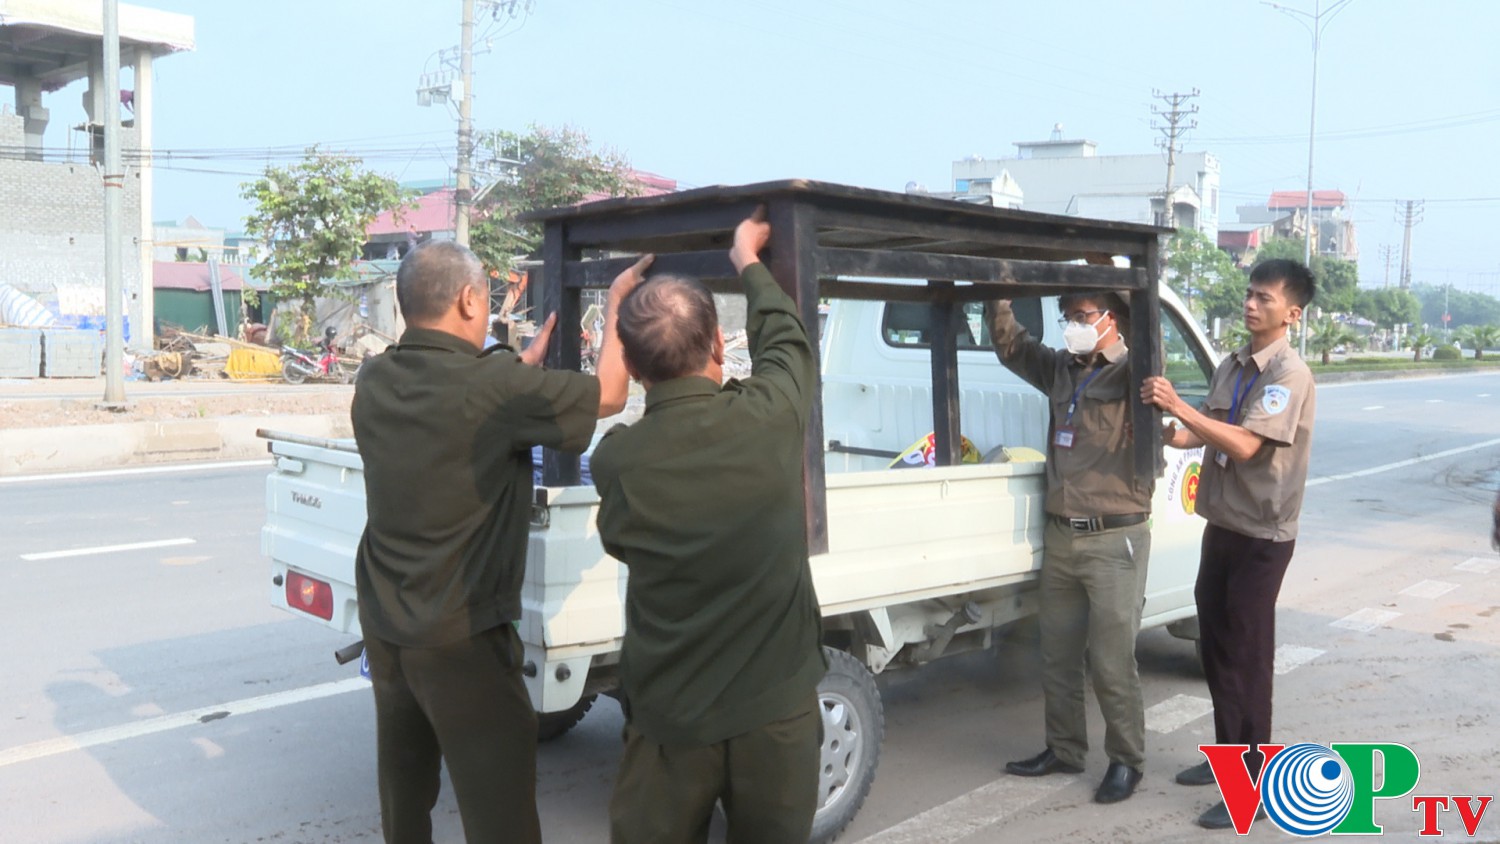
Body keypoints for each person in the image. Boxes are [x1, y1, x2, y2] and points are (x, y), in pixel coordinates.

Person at [351, 240, 644, 844]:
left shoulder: (374, 378)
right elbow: (610, 395)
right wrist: (615, 302)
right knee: (500, 815)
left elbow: (468, 408)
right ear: (468, 299)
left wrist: (519, 371)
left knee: (404, 798)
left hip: (388, 629)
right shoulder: (496, 387)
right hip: (461, 637)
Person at [590, 210, 827, 844]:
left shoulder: (618, 461)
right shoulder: (770, 416)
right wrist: (747, 258)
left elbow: (618, 537)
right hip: (776, 713)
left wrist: (619, 308)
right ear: (720, 346)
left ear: (637, 369)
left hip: (670, 722)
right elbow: (788, 341)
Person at [1140, 258, 1317, 831]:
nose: (1250, 305)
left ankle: (1256, 786)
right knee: (1216, 647)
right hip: (1223, 526)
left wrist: (1180, 406)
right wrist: (1171, 430)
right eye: (1248, 295)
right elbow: (1208, 428)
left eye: (1264, 299)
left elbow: (1244, 445)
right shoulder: (1235, 364)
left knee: (1247, 658)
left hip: (1262, 536)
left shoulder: (1288, 375)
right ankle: (1226, 762)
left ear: (1291, 313)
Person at [988, 281, 1154, 805]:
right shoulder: (1061, 368)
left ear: (1112, 319)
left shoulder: (1136, 372)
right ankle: (1064, 748)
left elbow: (1149, 334)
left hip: (1114, 539)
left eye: (1084, 315)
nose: (1074, 326)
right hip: (1062, 536)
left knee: (1110, 660)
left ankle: (1126, 760)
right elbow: (1011, 344)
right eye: (1068, 317)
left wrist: (1123, 277)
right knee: (1057, 654)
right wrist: (1001, 293)